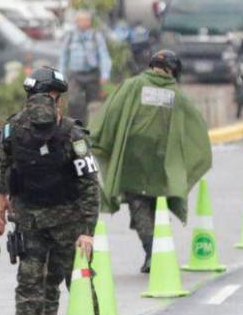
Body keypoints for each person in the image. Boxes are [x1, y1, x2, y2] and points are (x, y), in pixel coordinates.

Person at [0, 68, 100, 315]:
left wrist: (87, 231)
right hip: (30, 220)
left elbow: (89, 184)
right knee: (29, 280)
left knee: (76, 280)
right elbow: (3, 172)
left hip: (67, 221)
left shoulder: (71, 134)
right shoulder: (14, 131)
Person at [90, 50, 213, 273]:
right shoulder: (177, 95)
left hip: (132, 160)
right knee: (157, 206)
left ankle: (151, 251)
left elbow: (110, 115)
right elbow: (196, 131)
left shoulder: (132, 85)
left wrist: (98, 140)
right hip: (163, 163)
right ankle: (156, 251)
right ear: (173, 70)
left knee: (139, 206)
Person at [57, 10, 112, 124]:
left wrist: (105, 74)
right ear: (76, 22)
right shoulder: (70, 35)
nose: (84, 23)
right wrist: (61, 75)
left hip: (92, 73)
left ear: (90, 22)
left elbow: (104, 55)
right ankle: (77, 127)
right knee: (74, 102)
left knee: (94, 105)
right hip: (76, 74)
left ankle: (93, 129)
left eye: (86, 20)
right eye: (81, 20)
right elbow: (63, 56)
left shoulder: (96, 36)